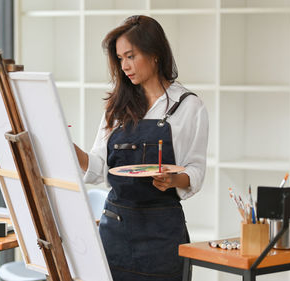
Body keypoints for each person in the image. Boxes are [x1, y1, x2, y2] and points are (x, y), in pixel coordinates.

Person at [74, 15, 209, 281]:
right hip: (115, 230)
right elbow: (99, 169)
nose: (124, 66)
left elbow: (195, 170)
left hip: (162, 234)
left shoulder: (189, 106)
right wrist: (67, 149)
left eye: (131, 56)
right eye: (120, 59)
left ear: (155, 54)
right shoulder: (117, 106)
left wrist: (172, 179)